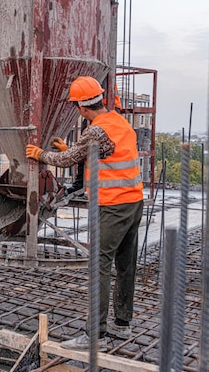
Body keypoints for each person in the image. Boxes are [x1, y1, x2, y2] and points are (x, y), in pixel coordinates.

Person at [26, 76, 144, 351]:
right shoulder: (118, 121)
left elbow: (67, 161)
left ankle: (95, 336)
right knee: (126, 265)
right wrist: (74, 150)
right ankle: (122, 324)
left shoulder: (94, 130)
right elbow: (105, 152)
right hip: (133, 202)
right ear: (101, 99)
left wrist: (41, 154)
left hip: (112, 206)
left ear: (81, 107)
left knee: (98, 266)